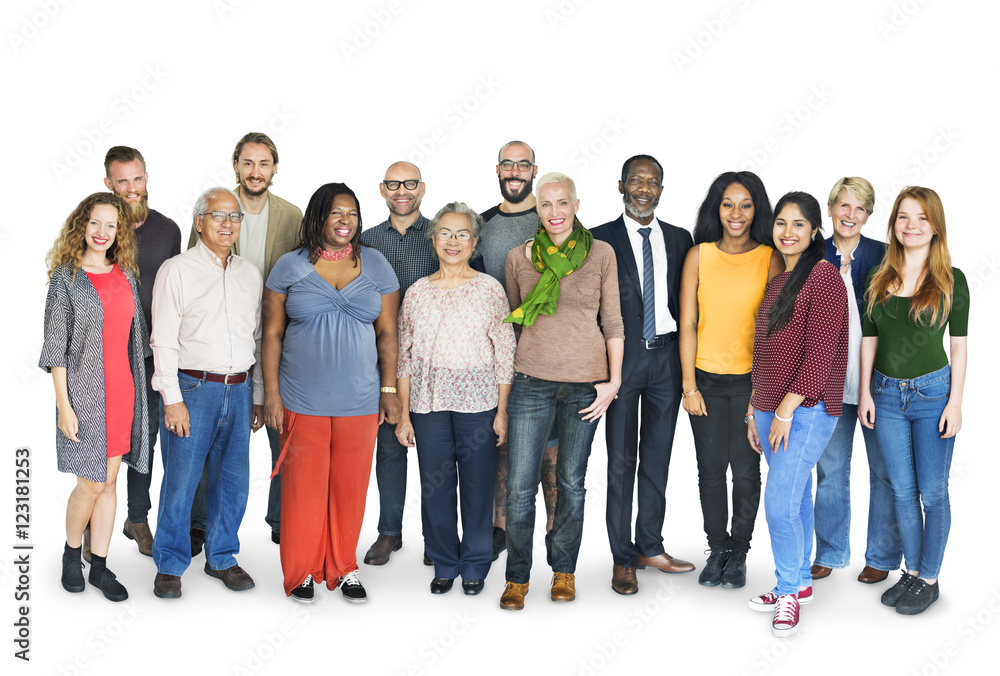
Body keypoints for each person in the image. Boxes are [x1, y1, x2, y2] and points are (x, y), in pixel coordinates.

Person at [262, 183, 401, 604]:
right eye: (336, 213)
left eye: (352, 214)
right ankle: (302, 570)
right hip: (300, 398)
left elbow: (389, 332)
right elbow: (270, 333)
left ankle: (344, 567)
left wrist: (389, 389)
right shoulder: (289, 265)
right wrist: (271, 395)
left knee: (350, 487)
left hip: (359, 399)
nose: (345, 221)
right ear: (318, 217)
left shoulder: (376, 265)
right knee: (303, 488)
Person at [500, 172, 624, 610]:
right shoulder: (520, 256)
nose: (554, 213)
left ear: (576, 205)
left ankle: (563, 571)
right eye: (546, 205)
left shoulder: (601, 253)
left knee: (571, 483)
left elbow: (612, 322)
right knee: (518, 487)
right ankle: (517, 577)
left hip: (585, 387)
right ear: (538, 209)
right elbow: (517, 322)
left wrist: (614, 381)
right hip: (531, 382)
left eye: (562, 203)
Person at [185, 132, 303, 549]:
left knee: (282, 434)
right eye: (248, 163)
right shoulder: (213, 208)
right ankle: (198, 524)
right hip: (217, 349)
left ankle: (280, 518)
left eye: (264, 164)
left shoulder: (292, 217)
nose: (256, 171)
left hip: (276, 343)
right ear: (236, 165)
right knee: (202, 447)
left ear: (274, 168)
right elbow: (191, 276)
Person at [395, 202, 516, 595]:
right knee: (435, 487)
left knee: (479, 487)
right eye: (445, 232)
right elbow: (405, 357)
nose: (453, 241)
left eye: (463, 234)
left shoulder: (490, 289)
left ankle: (476, 563)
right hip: (427, 405)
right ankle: (444, 562)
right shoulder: (416, 293)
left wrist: (501, 411)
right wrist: (404, 416)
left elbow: (505, 352)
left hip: (478, 404)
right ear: (434, 239)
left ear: (475, 242)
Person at [150, 187, 265, 599]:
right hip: (192, 388)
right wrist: (172, 398)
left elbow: (254, 335)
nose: (227, 224)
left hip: (239, 388)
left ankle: (222, 557)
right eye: (218, 216)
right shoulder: (176, 270)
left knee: (233, 481)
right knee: (181, 480)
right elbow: (162, 338)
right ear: (199, 222)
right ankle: (169, 562)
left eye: (235, 217)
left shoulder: (249, 273)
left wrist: (257, 395)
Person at [859, 186, 967, 615]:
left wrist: (955, 403)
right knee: (902, 491)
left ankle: (930, 577)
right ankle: (912, 570)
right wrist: (866, 391)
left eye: (921, 218)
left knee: (932, 492)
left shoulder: (951, 280)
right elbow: (869, 340)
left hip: (932, 394)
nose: (911, 226)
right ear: (894, 225)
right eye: (903, 217)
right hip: (885, 396)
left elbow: (958, 347)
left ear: (935, 226)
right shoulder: (878, 278)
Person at [746, 192, 849, 638]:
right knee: (796, 496)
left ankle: (787, 590)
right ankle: (800, 583)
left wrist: (786, 409)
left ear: (813, 231)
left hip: (805, 410)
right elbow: (765, 351)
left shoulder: (824, 277)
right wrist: (755, 408)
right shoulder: (778, 281)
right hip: (770, 408)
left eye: (798, 225)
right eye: (781, 224)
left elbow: (821, 354)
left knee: (779, 504)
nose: (788, 233)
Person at [592, 155, 696, 596]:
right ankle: (621, 558)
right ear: (621, 185)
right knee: (620, 462)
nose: (644, 188)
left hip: (667, 361)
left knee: (657, 457)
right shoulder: (598, 238)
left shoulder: (679, 238)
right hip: (621, 362)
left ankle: (650, 545)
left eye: (653, 182)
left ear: (661, 190)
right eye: (636, 180)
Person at [40, 192, 150, 602]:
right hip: (85, 395)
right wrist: (63, 405)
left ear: (120, 231)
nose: (102, 233)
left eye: (111, 225)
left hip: (124, 391)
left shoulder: (126, 275)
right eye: (95, 223)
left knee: (110, 482)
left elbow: (133, 342)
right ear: (80, 226)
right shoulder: (65, 277)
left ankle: (100, 566)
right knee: (90, 483)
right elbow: (55, 347)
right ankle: (72, 556)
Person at [678, 171, 782, 590]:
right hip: (704, 378)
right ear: (715, 208)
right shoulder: (698, 255)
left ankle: (739, 552)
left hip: (749, 384)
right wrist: (689, 386)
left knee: (745, 471)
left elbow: (774, 331)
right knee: (709, 470)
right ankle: (716, 548)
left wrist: (761, 395)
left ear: (757, 209)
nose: (736, 213)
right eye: (727, 204)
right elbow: (688, 323)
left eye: (745, 204)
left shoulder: (770, 257)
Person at [811, 177, 901, 584]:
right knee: (830, 470)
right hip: (827, 380)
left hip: (876, 383)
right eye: (843, 206)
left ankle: (881, 555)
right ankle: (829, 552)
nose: (850, 215)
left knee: (884, 471)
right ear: (830, 209)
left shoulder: (885, 256)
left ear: (869, 215)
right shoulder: (812, 252)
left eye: (859, 209)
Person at [475, 140, 560, 562]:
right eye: (507, 164)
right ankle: (500, 527)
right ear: (497, 170)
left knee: (552, 445)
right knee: (503, 438)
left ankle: (554, 527)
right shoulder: (482, 224)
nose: (514, 172)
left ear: (533, 170)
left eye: (522, 165)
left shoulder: (554, 221)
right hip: (499, 354)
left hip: (550, 352)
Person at [101, 145, 181, 560]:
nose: (131, 188)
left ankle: (138, 517)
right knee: (108, 443)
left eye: (137, 179)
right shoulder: (101, 228)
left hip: (150, 354)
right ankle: (88, 536)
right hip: (107, 354)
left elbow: (174, 293)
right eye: (122, 181)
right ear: (108, 184)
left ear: (147, 178)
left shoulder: (168, 230)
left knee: (145, 439)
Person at [361, 161, 439, 567]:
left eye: (410, 184)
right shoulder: (366, 241)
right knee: (390, 451)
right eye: (394, 184)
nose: (402, 191)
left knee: (435, 453)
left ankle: (436, 536)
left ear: (422, 188)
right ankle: (389, 532)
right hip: (383, 362)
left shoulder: (441, 236)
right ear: (382, 189)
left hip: (435, 363)